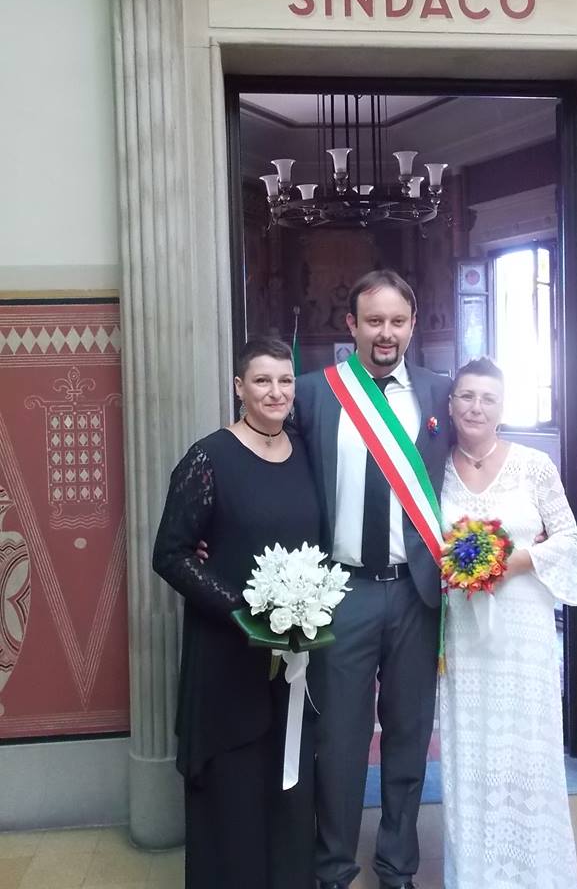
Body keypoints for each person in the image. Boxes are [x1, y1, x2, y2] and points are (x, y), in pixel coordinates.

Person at [292, 269, 452, 889]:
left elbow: (470, 473)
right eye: (374, 321)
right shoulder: (313, 393)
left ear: (412, 326)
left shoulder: (440, 393)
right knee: (339, 740)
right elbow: (275, 475)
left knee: (410, 736)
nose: (386, 333)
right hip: (344, 591)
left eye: (397, 321)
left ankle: (397, 866)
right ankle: (333, 867)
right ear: (352, 326)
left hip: (417, 592)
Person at [152, 338, 319, 889]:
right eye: (262, 381)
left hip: (296, 653)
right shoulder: (208, 457)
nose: (276, 392)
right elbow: (170, 554)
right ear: (239, 387)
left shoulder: (307, 453)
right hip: (227, 652)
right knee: (235, 785)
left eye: (285, 381)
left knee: (288, 779)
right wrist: (247, 613)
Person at [439, 357, 577, 889]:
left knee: (526, 747)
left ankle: (535, 872)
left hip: (523, 630)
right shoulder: (435, 469)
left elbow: (568, 536)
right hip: (464, 633)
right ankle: (475, 873)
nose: (476, 407)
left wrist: (511, 561)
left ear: (502, 407)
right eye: (466, 396)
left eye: (488, 398)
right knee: (471, 746)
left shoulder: (533, 465)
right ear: (451, 404)